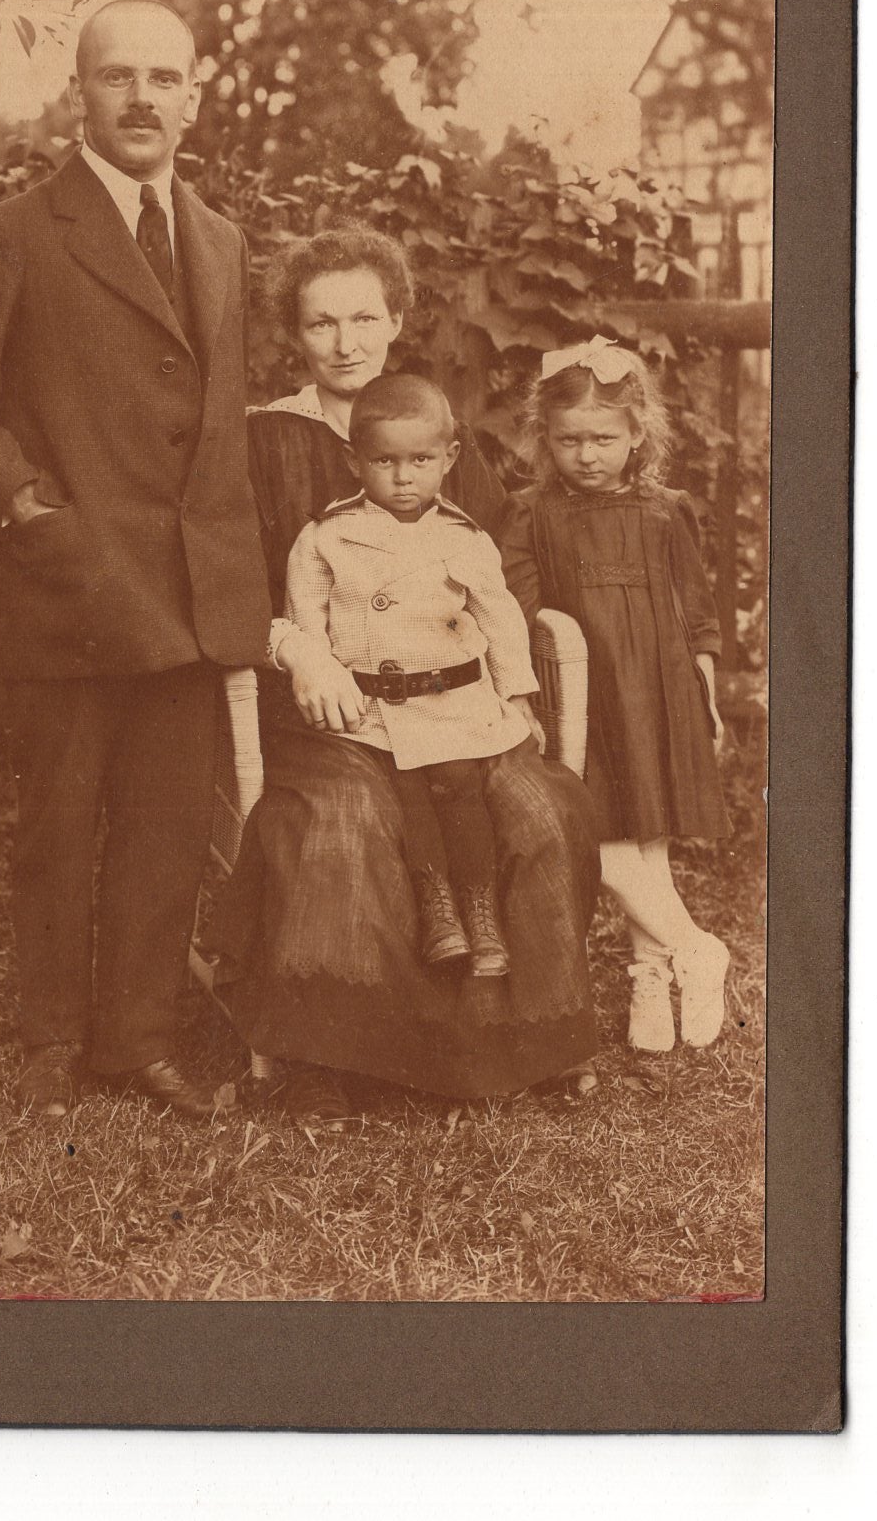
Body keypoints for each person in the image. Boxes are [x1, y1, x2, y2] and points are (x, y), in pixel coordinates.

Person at [0, 0, 271, 1119]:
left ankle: (138, 1041)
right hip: (68, 592)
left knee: (163, 831)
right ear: (80, 94)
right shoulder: (12, 232)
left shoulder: (219, 237)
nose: (141, 98)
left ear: (194, 97)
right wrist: (26, 507)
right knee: (59, 829)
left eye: (164, 78)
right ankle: (49, 1047)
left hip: (189, 596)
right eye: (118, 77)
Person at [205, 228, 601, 1118]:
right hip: (329, 708)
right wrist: (298, 650)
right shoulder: (263, 440)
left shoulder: (432, 428)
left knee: (542, 809)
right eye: (321, 323)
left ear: (395, 321)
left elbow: (499, 567)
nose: (346, 342)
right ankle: (328, 1060)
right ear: (294, 335)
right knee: (342, 820)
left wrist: (513, 685)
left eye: (363, 318)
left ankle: (531, 1044)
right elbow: (230, 585)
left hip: (457, 706)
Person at [497, 335, 731, 1053]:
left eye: (603, 437)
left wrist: (709, 697)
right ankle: (696, 946)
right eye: (570, 440)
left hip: (658, 694)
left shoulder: (666, 512)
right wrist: (529, 699)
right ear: (546, 439)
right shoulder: (531, 513)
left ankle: (648, 976)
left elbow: (698, 616)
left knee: (646, 835)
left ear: (637, 433)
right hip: (585, 701)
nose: (587, 454)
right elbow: (518, 612)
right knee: (601, 835)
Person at [284, 372, 551, 980]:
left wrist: (518, 694)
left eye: (421, 460)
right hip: (376, 708)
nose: (404, 478)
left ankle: (479, 913)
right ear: (354, 461)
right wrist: (318, 671)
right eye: (384, 461)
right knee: (405, 794)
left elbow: (501, 616)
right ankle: (437, 911)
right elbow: (305, 624)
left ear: (449, 458)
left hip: (453, 699)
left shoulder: (464, 537)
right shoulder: (327, 537)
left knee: (460, 784)